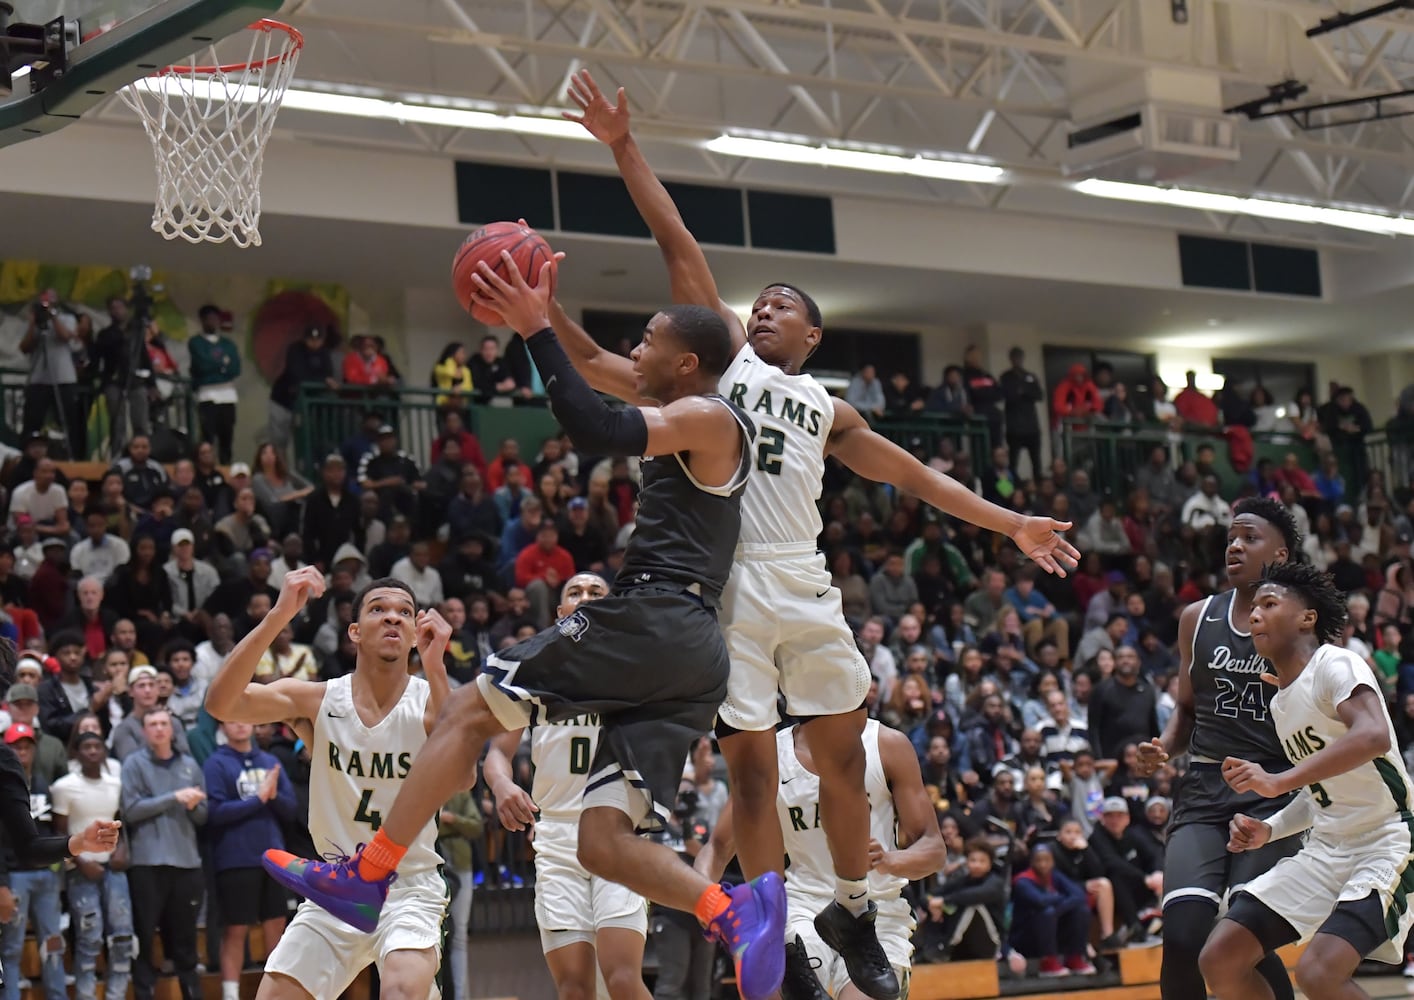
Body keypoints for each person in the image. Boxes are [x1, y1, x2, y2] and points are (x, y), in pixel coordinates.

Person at [555, 68, 1077, 1000]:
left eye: (783, 307)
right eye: (758, 303)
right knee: (750, 775)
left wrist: (1012, 525)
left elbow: (915, 479)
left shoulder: (828, 409)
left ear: (814, 336)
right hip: (730, 586)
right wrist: (623, 146)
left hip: (803, 578)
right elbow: (674, 237)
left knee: (842, 754)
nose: (763, 310)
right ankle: (779, 929)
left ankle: (846, 906)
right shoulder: (718, 365)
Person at [265, 261, 791, 1000]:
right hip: (691, 650)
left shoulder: (705, 414)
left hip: (654, 615)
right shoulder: (687, 411)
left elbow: (594, 424)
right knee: (601, 843)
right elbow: (593, 372)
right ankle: (727, 909)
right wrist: (540, 308)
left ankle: (370, 870)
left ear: (687, 364)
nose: (633, 353)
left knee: (469, 708)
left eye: (646, 341)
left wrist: (533, 327)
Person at [202, 570, 453, 1000]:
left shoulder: (431, 701)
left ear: (416, 634)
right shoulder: (318, 700)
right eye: (378, 609)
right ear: (354, 631)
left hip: (408, 885)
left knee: (400, 991)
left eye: (404, 612)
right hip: (335, 884)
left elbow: (461, 771)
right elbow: (222, 704)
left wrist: (438, 669)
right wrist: (279, 615)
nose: (392, 618)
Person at [1200, 562, 1414, 1000]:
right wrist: (1270, 829)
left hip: (1388, 841)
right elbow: (1320, 792)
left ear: (1307, 617)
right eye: (1252, 607)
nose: (1254, 614)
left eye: (1269, 604)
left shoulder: (1336, 663)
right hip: (1326, 848)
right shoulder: (1281, 703)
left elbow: (1371, 735)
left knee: (1318, 973)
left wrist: (1277, 781)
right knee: (1220, 958)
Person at [1136, 497, 1304, 1000]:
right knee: (1184, 937)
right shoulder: (1196, 617)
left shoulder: (1302, 623)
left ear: (1280, 555)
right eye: (1231, 537)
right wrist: (1164, 745)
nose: (1234, 545)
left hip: (1274, 790)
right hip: (1205, 789)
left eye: (1249, 538)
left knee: (1237, 941)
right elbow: (1186, 710)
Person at [484, 571, 651, 1000]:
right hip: (557, 838)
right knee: (575, 988)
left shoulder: (637, 671)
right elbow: (497, 755)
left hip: (617, 831)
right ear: (561, 613)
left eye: (596, 591)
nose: (585, 597)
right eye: (574, 592)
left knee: (621, 979)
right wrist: (503, 787)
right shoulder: (536, 677)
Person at [698, 718, 945, 1000]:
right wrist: (701, 899)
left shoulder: (886, 743)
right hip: (803, 905)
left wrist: (889, 860)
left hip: (876, 910)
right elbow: (718, 846)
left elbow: (934, 849)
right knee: (766, 991)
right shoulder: (771, 754)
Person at [204, 720, 296, 1000]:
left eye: (245, 719)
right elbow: (215, 812)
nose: (240, 725)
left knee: (277, 927)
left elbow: (292, 810)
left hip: (273, 858)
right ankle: (230, 995)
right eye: (233, 720)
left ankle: (276, 992)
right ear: (223, 727)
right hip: (236, 858)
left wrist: (272, 795)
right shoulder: (216, 764)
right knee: (235, 930)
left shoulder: (269, 761)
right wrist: (258, 799)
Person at [121, 708, 208, 1000]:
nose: (159, 729)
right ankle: (144, 994)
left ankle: (191, 993)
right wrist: (174, 797)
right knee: (144, 937)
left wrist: (193, 805)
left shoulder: (189, 766)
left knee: (186, 940)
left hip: (186, 863)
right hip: (147, 864)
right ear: (144, 731)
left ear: (172, 730)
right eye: (152, 725)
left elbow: (203, 817)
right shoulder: (133, 764)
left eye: (163, 724)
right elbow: (130, 811)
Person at [51, 731, 131, 1000]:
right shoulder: (64, 786)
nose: (93, 751)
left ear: (104, 751)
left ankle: (116, 995)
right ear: (77, 753)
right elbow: (58, 835)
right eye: (87, 747)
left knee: (122, 938)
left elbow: (121, 823)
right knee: (89, 938)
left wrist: (122, 849)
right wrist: (80, 861)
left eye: (98, 746)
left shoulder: (115, 784)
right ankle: (86, 995)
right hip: (80, 871)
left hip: (113, 869)